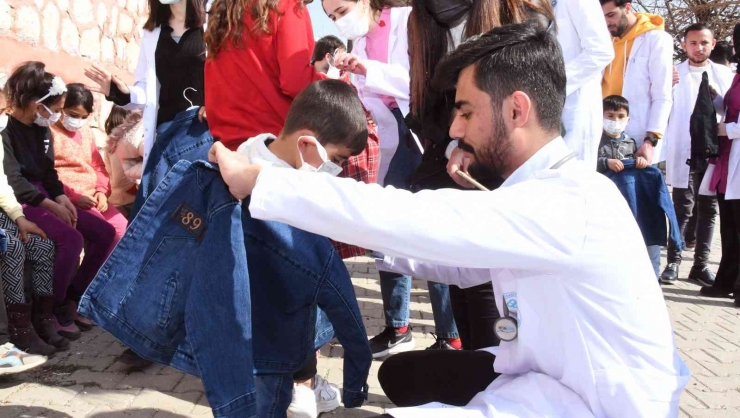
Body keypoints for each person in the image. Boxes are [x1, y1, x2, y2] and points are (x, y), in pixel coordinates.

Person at [210, 21, 689, 418]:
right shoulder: (535, 191)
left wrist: (263, 183)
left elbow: (417, 217)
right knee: (404, 374)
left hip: (596, 405)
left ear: (516, 109)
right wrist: (364, 244)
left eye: (465, 111)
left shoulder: (570, 203)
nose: (456, 130)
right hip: (546, 375)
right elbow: (459, 261)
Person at [403, 0, 553, 352]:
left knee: (497, 298)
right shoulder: (422, 20)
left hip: (509, 165)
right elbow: (429, 102)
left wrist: (475, 146)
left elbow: (528, 99)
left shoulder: (521, 7)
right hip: (453, 164)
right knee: (462, 286)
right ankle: (471, 370)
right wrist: (454, 145)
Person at [322, 0, 461, 354]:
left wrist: (370, 71)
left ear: (364, 0)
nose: (337, 21)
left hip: (425, 131)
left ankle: (450, 335)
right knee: (386, 232)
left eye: (341, 10)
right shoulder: (359, 42)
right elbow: (368, 99)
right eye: (331, 16)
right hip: (393, 136)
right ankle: (398, 327)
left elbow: (424, 79)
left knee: (433, 234)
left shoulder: (408, 21)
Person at [233, 79, 370, 418]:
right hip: (280, 344)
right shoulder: (295, 200)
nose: (335, 170)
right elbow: (337, 292)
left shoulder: (244, 153)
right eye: (336, 159)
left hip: (231, 329)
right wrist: (356, 380)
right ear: (307, 142)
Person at [2, 62, 117, 341]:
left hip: (46, 194)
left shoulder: (41, 129)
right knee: (71, 239)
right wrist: (50, 204)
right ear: (34, 104)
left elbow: (49, 172)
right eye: (54, 108)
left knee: (105, 233)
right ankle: (49, 311)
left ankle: (71, 301)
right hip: (24, 199)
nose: (55, 115)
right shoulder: (7, 130)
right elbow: (14, 179)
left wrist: (62, 198)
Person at [84, 0, 209, 190]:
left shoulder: (215, 26)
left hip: (203, 137)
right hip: (164, 136)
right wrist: (118, 92)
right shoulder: (152, 33)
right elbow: (145, 91)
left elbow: (231, 82)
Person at [204, 0, 326, 150]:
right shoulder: (288, 3)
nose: (304, 3)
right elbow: (294, 82)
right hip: (271, 140)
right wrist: (331, 83)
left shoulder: (225, 6)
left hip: (224, 142)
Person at [506, 0, 614, 167]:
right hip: (549, 109)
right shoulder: (539, 5)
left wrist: (553, 83)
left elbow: (601, 50)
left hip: (576, 108)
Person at [662, 24, 734, 286]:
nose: (698, 47)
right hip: (684, 148)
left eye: (704, 42)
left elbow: (730, 109)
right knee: (682, 207)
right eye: (693, 42)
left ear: (713, 44)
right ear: (684, 45)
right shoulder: (673, 74)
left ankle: (701, 265)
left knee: (709, 208)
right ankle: (673, 261)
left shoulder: (724, 75)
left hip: (714, 151)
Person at [0, 88, 67, 356]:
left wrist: (18, 217)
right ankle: (10, 334)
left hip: (5, 208)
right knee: (11, 246)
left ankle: (37, 321)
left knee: (41, 246)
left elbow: (2, 183)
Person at [598, 0, 673, 167]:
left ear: (628, 7)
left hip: (638, 141)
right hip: (602, 141)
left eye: (611, 15)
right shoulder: (602, 39)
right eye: (602, 17)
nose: (607, 22)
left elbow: (662, 96)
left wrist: (651, 141)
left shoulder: (656, 39)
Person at [597, 95, 671, 277]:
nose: (615, 120)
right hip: (602, 200)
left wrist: (639, 162)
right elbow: (587, 162)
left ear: (628, 119)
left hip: (627, 200)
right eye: (610, 115)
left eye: (620, 116)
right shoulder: (595, 141)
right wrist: (606, 162)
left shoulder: (630, 143)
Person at [51, 84, 128, 247]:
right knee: (104, 232)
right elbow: (46, 173)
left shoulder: (85, 132)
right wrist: (74, 197)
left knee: (124, 232)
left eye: (83, 117)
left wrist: (101, 191)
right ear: (61, 108)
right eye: (73, 115)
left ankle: (106, 273)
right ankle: (90, 273)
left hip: (92, 196)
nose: (77, 122)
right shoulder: (49, 133)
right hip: (66, 198)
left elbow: (97, 166)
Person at [698, 22, 740, 305]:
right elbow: (732, 107)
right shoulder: (737, 77)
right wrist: (716, 99)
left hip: (734, 147)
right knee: (730, 224)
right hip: (729, 157)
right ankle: (727, 280)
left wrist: (732, 129)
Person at [103, 107, 142, 220]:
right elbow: (120, 179)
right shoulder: (120, 146)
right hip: (124, 201)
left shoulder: (114, 143)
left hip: (122, 199)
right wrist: (137, 190)